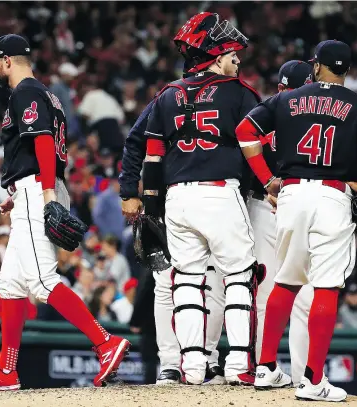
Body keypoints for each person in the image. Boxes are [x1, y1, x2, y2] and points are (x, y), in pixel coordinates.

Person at [0, 34, 130, 393]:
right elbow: (46, 149)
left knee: (42, 281)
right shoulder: (48, 95)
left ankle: (105, 342)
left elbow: (43, 142)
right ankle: (7, 371)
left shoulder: (24, 91)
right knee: (10, 285)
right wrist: (27, 192)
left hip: (37, 189)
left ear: (7, 60)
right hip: (37, 185)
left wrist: (41, 194)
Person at [236, 40, 357, 400]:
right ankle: (312, 380)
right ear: (346, 70)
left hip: (290, 194)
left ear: (317, 67)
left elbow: (246, 131)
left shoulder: (287, 98)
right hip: (332, 195)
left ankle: (265, 368)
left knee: (286, 280)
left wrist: (266, 178)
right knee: (325, 287)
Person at [142, 12, 265, 386]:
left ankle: (192, 368)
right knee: (240, 279)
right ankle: (238, 365)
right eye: (231, 55)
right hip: (220, 194)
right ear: (214, 56)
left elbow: (151, 158)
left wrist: (151, 211)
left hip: (177, 199)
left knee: (188, 283)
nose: (237, 60)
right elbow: (258, 147)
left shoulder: (166, 96)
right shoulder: (240, 93)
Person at [119, 49, 226, 387]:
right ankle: (173, 361)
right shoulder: (170, 96)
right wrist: (129, 191)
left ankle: (205, 359)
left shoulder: (227, 94)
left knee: (210, 280)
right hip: (170, 198)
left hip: (206, 196)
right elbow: (136, 140)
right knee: (170, 281)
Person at [246, 60, 314, 387]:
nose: (284, 94)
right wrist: (269, 183)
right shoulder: (308, 116)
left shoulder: (267, 113)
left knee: (282, 295)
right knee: (292, 296)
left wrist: (267, 182)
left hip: (277, 206)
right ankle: (276, 370)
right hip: (278, 206)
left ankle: (272, 368)